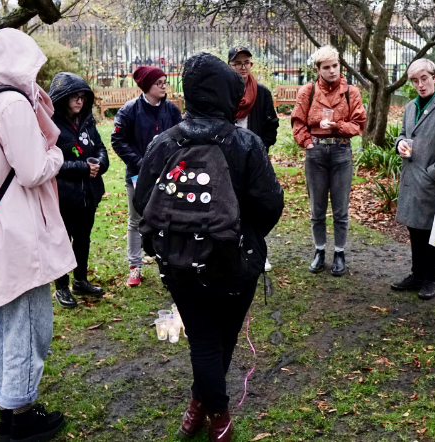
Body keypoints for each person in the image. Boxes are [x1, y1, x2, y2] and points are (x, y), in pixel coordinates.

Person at [134, 52, 284, 442]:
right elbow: (270, 203)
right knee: (220, 336)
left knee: (206, 336)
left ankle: (200, 404)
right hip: (236, 260)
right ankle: (218, 414)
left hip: (180, 259)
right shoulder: (246, 143)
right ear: (226, 93)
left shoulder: (163, 143)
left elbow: (142, 201)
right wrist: (245, 233)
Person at [0, 29, 74, 441]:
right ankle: (21, 415)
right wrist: (57, 154)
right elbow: (32, 169)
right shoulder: (11, 104)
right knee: (28, 321)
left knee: (2, 322)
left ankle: (8, 404)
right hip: (16, 231)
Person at [291, 45, 366, 277]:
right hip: (316, 154)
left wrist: (338, 127)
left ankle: (340, 253)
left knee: (341, 209)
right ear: (319, 69)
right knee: (317, 208)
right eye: (327, 67)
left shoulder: (351, 92)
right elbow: (297, 121)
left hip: (342, 152)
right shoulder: (308, 91)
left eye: (335, 66)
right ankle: (320, 251)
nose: (332, 71)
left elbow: (359, 124)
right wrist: (308, 143)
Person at [390, 59, 435, 299]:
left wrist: (433, 170)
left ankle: (430, 279)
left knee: (432, 232)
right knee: (414, 230)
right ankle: (417, 274)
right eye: (415, 80)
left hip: (432, 182)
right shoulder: (410, 107)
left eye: (424, 79)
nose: (420, 85)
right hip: (411, 178)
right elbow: (402, 135)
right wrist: (400, 144)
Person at [112, 65, 182, 287]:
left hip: (169, 175)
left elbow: (182, 138)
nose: (164, 86)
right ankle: (135, 266)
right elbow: (118, 140)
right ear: (146, 86)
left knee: (171, 217)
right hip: (138, 176)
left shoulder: (171, 110)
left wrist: (174, 165)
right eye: (159, 83)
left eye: (164, 82)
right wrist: (141, 165)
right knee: (136, 219)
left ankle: (170, 263)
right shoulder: (129, 111)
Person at [48, 72, 110, 308]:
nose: (79, 101)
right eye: (74, 96)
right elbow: (50, 162)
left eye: (83, 97)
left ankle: (80, 280)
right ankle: (62, 287)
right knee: (63, 241)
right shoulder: (50, 126)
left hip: (88, 194)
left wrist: (99, 164)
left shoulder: (87, 121)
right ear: (63, 98)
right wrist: (82, 167)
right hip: (64, 195)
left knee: (83, 239)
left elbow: (101, 149)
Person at [227, 45, 280, 271]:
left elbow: (272, 125)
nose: (242, 67)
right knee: (231, 204)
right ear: (229, 65)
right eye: (237, 63)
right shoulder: (225, 92)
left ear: (251, 64)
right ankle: (232, 250)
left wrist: (262, 148)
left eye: (246, 62)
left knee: (256, 204)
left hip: (255, 160)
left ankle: (258, 250)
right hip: (229, 158)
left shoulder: (261, 93)